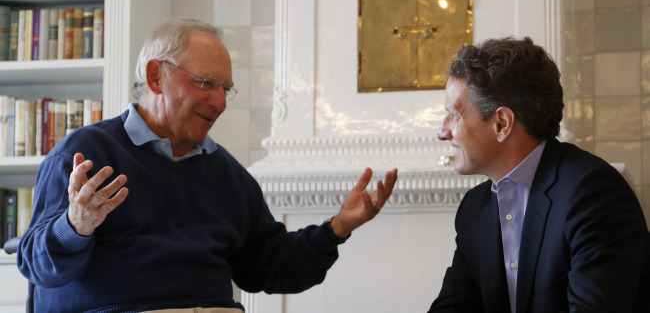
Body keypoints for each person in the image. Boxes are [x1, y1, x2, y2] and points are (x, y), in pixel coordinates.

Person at [16, 17, 398, 312]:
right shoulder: (86, 152)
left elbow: (268, 265)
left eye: (225, 88)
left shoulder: (226, 173)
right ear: (155, 77)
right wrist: (74, 226)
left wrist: (336, 229)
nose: (220, 102)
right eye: (206, 83)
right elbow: (36, 265)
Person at [429, 36, 650, 313]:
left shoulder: (593, 194)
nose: (442, 131)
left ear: (501, 123)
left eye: (455, 115)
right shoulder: (475, 207)